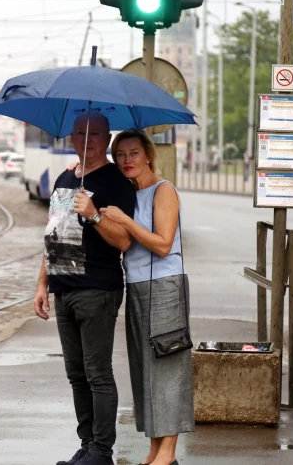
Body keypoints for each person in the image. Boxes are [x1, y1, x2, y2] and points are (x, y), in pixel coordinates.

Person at [33, 112, 136, 465]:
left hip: (97, 288)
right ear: (72, 138)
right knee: (76, 374)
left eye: (95, 134)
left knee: (97, 372)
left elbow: (124, 241)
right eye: (80, 133)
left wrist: (93, 214)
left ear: (106, 139)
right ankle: (87, 443)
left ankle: (102, 451)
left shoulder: (116, 181)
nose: (87, 139)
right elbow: (55, 235)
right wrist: (42, 284)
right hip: (64, 287)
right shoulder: (64, 178)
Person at [99, 130, 194, 465]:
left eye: (134, 153)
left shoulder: (163, 191)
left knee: (168, 366)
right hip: (138, 287)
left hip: (165, 286)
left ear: (148, 155)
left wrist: (124, 219)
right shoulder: (127, 192)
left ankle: (167, 453)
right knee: (145, 368)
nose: (127, 160)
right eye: (120, 154)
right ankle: (155, 448)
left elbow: (163, 243)